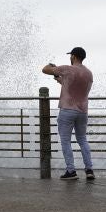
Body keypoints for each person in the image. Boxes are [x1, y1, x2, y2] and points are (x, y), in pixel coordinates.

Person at [42, 47, 94, 180]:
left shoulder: (68, 69)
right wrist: (60, 79)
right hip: (83, 111)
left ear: (74, 56)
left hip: (67, 110)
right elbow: (75, 87)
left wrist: (51, 65)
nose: (69, 58)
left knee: (66, 141)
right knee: (82, 140)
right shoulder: (89, 73)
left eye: (70, 56)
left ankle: (71, 171)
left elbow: (45, 70)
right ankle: (89, 170)